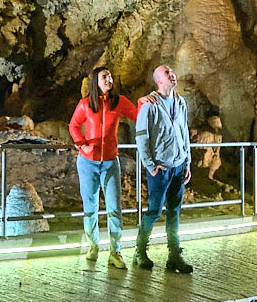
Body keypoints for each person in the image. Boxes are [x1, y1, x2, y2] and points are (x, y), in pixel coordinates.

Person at [67, 65, 140, 267]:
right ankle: (93, 245)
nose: (109, 80)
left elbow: (136, 115)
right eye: (104, 77)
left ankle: (115, 252)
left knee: (114, 207)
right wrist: (81, 141)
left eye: (109, 76)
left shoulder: (119, 102)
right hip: (87, 162)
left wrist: (145, 102)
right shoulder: (85, 104)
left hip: (109, 161)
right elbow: (73, 125)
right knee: (90, 207)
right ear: (95, 82)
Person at [133, 63, 193, 274]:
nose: (172, 74)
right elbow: (142, 137)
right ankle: (140, 251)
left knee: (174, 211)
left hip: (178, 166)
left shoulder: (180, 102)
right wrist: (149, 165)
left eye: (172, 71)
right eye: (167, 73)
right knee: (154, 211)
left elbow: (184, 132)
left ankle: (174, 255)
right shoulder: (150, 105)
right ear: (159, 80)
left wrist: (187, 162)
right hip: (160, 168)